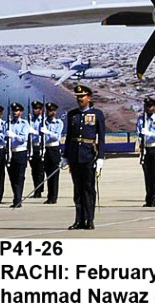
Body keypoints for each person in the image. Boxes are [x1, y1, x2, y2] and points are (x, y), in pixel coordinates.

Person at [64, 85, 106, 228]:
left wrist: (100, 157)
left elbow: (101, 137)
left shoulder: (97, 114)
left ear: (89, 97)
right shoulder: (72, 115)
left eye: (82, 96)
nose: (79, 99)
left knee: (88, 188)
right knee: (77, 189)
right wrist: (65, 156)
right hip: (75, 156)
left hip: (89, 156)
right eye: (78, 97)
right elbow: (69, 137)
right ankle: (79, 219)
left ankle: (89, 219)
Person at [137, 97, 155, 207]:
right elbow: (138, 133)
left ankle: (154, 199)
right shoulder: (141, 119)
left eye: (150, 106)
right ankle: (148, 198)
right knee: (147, 175)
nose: (148, 109)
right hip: (145, 148)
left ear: (154, 107)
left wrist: (149, 133)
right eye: (146, 107)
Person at [5, 103, 31, 208]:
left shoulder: (24, 124)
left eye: (17, 111)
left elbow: (23, 139)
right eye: (13, 111)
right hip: (10, 152)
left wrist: (13, 135)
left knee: (19, 176)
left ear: (21, 112)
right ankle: (16, 196)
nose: (15, 113)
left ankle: (18, 198)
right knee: (12, 177)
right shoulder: (8, 124)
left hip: (21, 152)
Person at [40, 102, 64, 204]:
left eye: (52, 110)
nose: (50, 112)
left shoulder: (59, 123)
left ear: (55, 112)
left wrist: (47, 132)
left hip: (54, 149)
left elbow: (57, 137)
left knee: (54, 174)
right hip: (46, 148)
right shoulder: (43, 122)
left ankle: (53, 197)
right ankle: (49, 196)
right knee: (47, 172)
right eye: (48, 110)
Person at [27, 101, 46, 198]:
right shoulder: (30, 121)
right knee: (34, 170)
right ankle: (37, 188)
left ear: (41, 110)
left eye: (37, 108)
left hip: (40, 146)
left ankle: (39, 190)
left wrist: (35, 132)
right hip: (31, 147)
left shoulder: (43, 121)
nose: (35, 110)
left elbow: (44, 134)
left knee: (40, 170)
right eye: (34, 108)